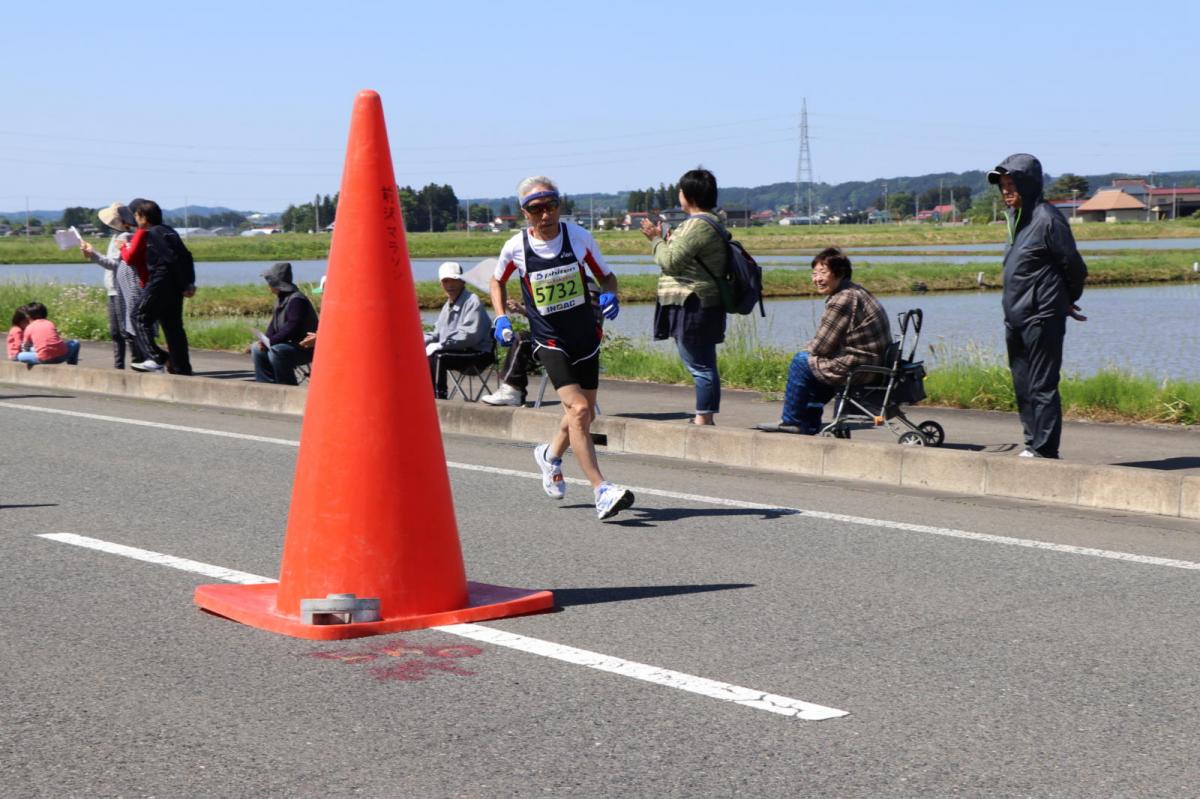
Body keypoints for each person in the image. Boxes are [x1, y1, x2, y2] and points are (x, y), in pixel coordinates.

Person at [489, 176, 634, 521]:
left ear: (559, 205)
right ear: (524, 213)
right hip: (549, 340)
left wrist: (610, 293)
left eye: (551, 205)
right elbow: (497, 280)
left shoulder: (579, 238)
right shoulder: (516, 248)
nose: (545, 215)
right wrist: (499, 318)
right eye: (535, 209)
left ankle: (550, 455)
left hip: (586, 337)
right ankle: (601, 489)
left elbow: (606, 276)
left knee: (585, 412)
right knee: (580, 410)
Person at [988, 153, 1088, 459]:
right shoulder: (1016, 220)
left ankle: (1045, 450)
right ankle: (1032, 443)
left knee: (1042, 385)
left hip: (1042, 316)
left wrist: (1065, 301)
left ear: (1028, 185)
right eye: (1002, 185)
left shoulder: (1048, 219)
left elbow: (1074, 267)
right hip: (1015, 316)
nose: (1006, 191)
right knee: (1023, 385)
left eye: (1012, 184)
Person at [756, 248, 891, 434]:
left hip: (859, 366)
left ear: (840, 273)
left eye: (823, 273)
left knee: (801, 361)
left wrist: (807, 351)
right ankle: (810, 423)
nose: (817, 279)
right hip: (872, 363)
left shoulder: (842, 299)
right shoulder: (855, 291)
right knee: (814, 365)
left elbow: (821, 346)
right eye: (814, 273)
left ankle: (792, 420)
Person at [640, 168, 728, 426]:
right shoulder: (703, 223)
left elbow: (670, 262)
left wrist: (655, 240)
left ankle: (704, 418)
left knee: (699, 364)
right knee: (703, 362)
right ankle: (705, 415)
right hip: (697, 300)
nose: (679, 194)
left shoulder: (697, 225)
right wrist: (666, 239)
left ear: (688, 195)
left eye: (680, 190)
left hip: (693, 301)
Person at [480, 275, 603, 407]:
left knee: (521, 339)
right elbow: (548, 318)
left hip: (570, 347)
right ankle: (512, 389)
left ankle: (513, 390)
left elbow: (576, 320)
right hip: (554, 341)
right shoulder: (552, 278)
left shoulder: (586, 285)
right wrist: (522, 310)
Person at [122, 199, 196, 375]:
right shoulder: (170, 231)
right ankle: (181, 367)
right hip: (175, 287)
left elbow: (170, 258)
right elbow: (186, 256)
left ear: (144, 218)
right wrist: (188, 282)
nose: (135, 219)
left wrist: (186, 283)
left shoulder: (153, 232)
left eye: (137, 215)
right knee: (173, 327)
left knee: (138, 316)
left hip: (160, 281)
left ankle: (156, 358)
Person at [80, 202, 151, 368]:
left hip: (120, 288)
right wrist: (93, 254)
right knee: (117, 331)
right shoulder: (118, 236)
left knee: (125, 330)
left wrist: (93, 254)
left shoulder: (124, 237)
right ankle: (121, 365)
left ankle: (136, 361)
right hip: (114, 288)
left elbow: (114, 264)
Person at [426, 261, 493, 399]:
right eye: (446, 281)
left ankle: (439, 398)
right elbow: (436, 333)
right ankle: (426, 395)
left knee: (439, 357)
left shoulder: (472, 301)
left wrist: (441, 344)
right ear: (441, 283)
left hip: (478, 353)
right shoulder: (447, 306)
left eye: (454, 280)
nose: (450, 285)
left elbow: (469, 335)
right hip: (458, 351)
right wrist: (418, 342)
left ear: (463, 281)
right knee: (423, 356)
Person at [252, 262, 320, 385]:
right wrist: (265, 341)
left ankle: (286, 386)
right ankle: (266, 385)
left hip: (305, 347)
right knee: (257, 349)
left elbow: (292, 326)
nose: (268, 285)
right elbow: (274, 325)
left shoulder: (297, 300)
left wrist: (271, 341)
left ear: (276, 283)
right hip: (289, 344)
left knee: (277, 350)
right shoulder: (280, 298)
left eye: (269, 281)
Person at [16, 302, 80, 367]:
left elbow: (25, 347)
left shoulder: (29, 327)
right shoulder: (50, 323)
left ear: (28, 316)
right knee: (75, 342)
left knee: (20, 355)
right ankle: (72, 365)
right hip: (62, 356)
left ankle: (39, 356)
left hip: (44, 358)